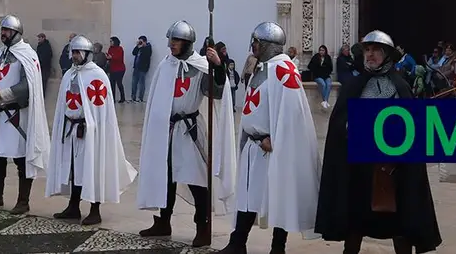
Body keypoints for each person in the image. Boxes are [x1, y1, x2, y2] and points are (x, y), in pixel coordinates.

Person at [315, 30, 442, 254]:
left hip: (393, 169)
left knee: (399, 224)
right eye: (367, 50)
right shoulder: (354, 86)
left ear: (387, 55)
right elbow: (339, 125)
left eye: (376, 50)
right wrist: (351, 126)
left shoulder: (401, 87)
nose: (370, 54)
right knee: (355, 224)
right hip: (358, 169)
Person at [136, 20, 235, 248]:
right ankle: (163, 222)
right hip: (167, 130)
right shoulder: (165, 66)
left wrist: (218, 67)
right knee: (165, 177)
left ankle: (202, 226)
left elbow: (217, 92)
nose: (171, 44)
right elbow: (157, 99)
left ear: (188, 43)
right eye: (171, 40)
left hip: (190, 130)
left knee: (197, 180)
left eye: (176, 40)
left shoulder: (201, 66)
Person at [223, 23, 321, 254]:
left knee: (280, 195)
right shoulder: (262, 67)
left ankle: (278, 248)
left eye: (257, 41)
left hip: (272, 147)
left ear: (268, 45)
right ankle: (238, 243)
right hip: (254, 146)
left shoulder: (283, 69)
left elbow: (292, 113)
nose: (253, 46)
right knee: (248, 197)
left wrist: (277, 140)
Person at [46, 35, 136, 226]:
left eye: (78, 52)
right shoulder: (69, 74)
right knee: (73, 169)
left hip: (90, 132)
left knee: (92, 168)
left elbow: (101, 110)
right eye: (73, 52)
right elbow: (64, 103)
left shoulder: (97, 75)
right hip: (71, 130)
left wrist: (92, 126)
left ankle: (95, 210)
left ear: (87, 54)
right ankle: (73, 206)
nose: (74, 56)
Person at [0, 15, 51, 214]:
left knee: (21, 158)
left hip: (15, 115)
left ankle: (23, 201)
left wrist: (1, 94)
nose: (3, 34)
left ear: (16, 33)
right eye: (2, 30)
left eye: (7, 30)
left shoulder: (27, 54)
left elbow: (28, 86)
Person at [308, 44, 333, 109]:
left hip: (326, 76)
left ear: (325, 51)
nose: (321, 52)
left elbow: (330, 68)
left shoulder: (328, 57)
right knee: (323, 84)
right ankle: (325, 101)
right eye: (320, 50)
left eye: (323, 50)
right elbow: (310, 66)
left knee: (329, 84)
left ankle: (325, 102)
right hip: (318, 76)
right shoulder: (315, 57)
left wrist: (325, 70)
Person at [131, 35, 152, 102]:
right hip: (136, 68)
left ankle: (140, 98)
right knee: (134, 83)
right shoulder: (139, 47)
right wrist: (137, 46)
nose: (140, 42)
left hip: (143, 68)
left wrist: (143, 47)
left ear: (145, 41)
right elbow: (133, 53)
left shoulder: (148, 48)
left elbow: (147, 55)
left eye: (141, 41)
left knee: (141, 83)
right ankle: (133, 97)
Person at [106, 36, 127, 104]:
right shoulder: (110, 48)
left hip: (120, 69)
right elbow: (110, 57)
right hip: (112, 68)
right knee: (112, 84)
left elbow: (119, 58)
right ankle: (112, 98)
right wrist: (108, 57)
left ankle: (122, 98)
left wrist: (111, 57)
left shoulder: (120, 49)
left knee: (119, 83)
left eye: (111, 41)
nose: (110, 43)